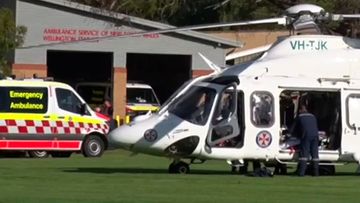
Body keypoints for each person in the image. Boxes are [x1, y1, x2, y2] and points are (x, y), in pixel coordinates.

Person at [291, 104, 319, 176]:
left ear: (300, 110)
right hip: (315, 136)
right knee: (315, 154)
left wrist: (289, 134)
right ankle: (316, 173)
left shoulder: (299, 117)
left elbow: (292, 129)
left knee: (304, 154)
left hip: (306, 136)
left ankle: (301, 173)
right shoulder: (313, 116)